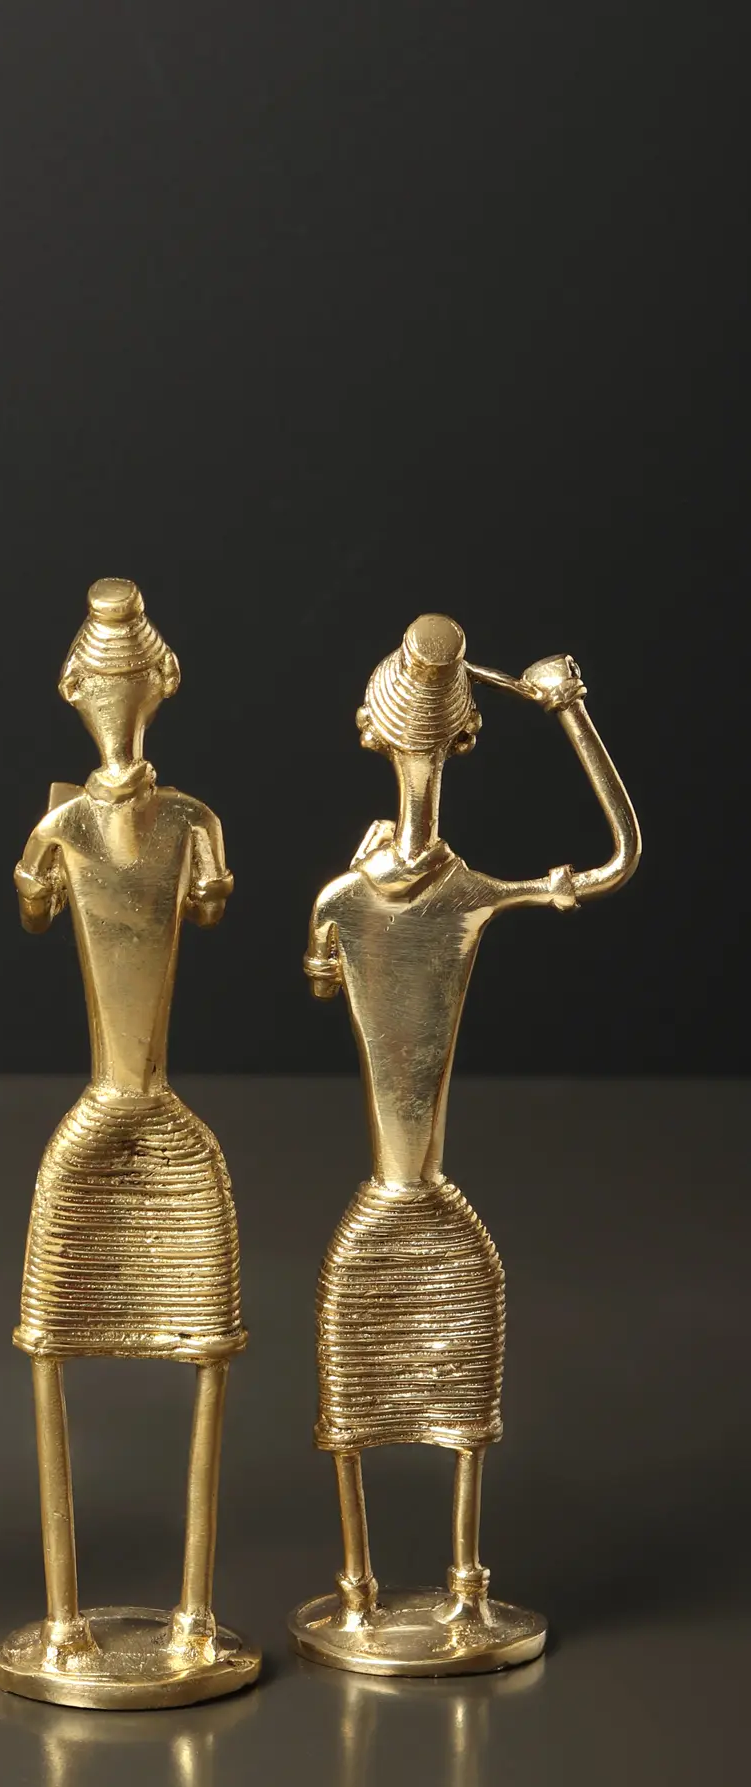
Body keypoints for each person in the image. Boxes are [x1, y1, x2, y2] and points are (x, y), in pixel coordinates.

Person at [292, 613, 640, 1673]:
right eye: (418, 745)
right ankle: (367, 1588)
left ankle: (454, 1587)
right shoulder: (360, 899)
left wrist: (571, 710)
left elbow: (617, 861)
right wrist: (568, 713)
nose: (421, 764)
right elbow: (619, 857)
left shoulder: (446, 895)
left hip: (423, 1206)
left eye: (430, 746)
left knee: (455, 1375)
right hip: (396, 1205)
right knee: (358, 1375)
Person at [0, 578, 258, 1708]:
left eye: (131, 683)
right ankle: (63, 1614)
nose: (116, 702)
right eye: (102, 686)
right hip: (97, 1122)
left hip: (164, 1125)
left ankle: (194, 1611)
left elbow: (207, 903)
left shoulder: (193, 823)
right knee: (52, 1342)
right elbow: (32, 903)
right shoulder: (62, 825)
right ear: (74, 692)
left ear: (161, 688)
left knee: (206, 1352)